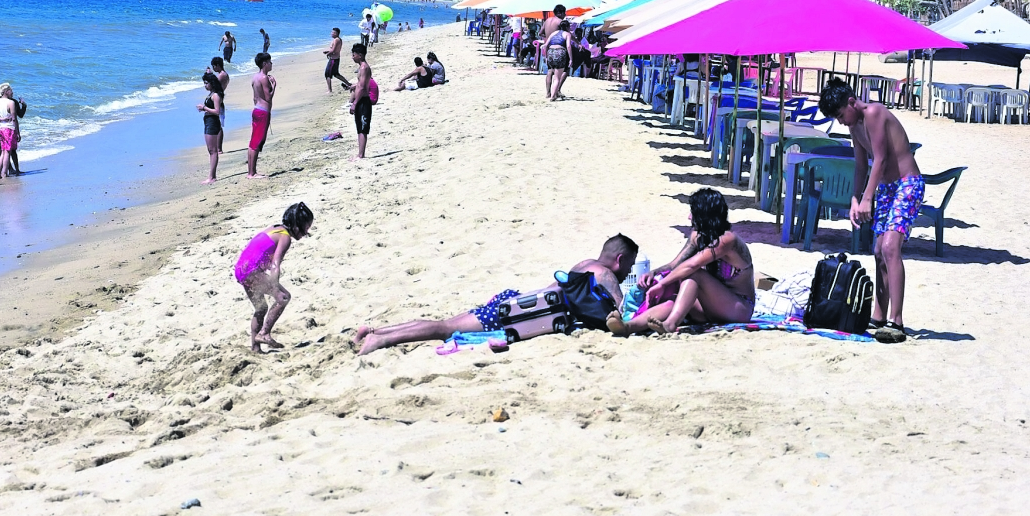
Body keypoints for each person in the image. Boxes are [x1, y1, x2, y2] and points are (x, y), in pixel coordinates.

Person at [353, 233, 639, 355]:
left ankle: (377, 330)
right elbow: (619, 314)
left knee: (446, 323)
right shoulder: (605, 275)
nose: (628, 271)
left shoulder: (584, 265)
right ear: (620, 259)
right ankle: (382, 339)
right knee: (446, 328)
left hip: (514, 300)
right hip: (517, 312)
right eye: (629, 264)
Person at [819, 78, 922, 344]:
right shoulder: (855, 126)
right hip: (887, 189)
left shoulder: (874, 113)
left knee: (890, 248)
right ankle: (879, 314)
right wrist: (855, 198)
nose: (841, 122)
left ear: (852, 102)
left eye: (841, 115)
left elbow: (883, 157)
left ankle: (896, 321)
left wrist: (867, 199)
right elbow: (860, 166)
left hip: (907, 184)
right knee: (877, 252)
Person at [607, 188, 754, 336]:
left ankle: (670, 325)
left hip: (739, 308)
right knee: (674, 301)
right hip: (712, 307)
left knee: (695, 274)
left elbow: (692, 266)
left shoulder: (727, 240)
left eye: (693, 213)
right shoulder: (698, 237)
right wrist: (654, 274)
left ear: (704, 215)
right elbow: (675, 265)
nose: (689, 217)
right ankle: (628, 326)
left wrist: (662, 284)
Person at [235, 202, 314, 351]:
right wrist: (275, 285)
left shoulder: (275, 229)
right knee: (283, 297)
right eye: (306, 229)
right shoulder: (285, 238)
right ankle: (264, 333)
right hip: (252, 271)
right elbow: (275, 264)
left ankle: (255, 348)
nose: (305, 234)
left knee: (261, 308)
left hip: (241, 270)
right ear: (297, 226)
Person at [248, 52, 275, 179]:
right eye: (270, 62)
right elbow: (268, 97)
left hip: (257, 109)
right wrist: (274, 86)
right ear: (264, 64)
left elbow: (255, 97)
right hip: (263, 112)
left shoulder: (255, 77)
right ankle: (252, 173)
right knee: (257, 142)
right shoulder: (264, 78)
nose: (271, 64)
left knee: (253, 141)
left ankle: (251, 171)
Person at [197, 71, 224, 184]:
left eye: (206, 83)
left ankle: (212, 177)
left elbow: (217, 111)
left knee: (213, 151)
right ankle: (211, 176)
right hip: (208, 122)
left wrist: (204, 108)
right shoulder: (211, 94)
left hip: (212, 123)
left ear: (212, 83)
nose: (205, 85)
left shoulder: (215, 95)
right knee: (211, 150)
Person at [349, 43, 372, 160]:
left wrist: (354, 103)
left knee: (363, 129)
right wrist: (354, 85)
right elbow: (361, 84)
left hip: (363, 101)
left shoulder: (364, 68)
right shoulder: (362, 67)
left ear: (360, 55)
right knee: (359, 127)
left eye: (354, 55)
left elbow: (363, 88)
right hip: (361, 101)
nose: (352, 57)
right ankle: (360, 153)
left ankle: (361, 155)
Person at [0, 84, 19, 180]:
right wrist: (18, 132)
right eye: (11, 91)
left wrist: (0, 119)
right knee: (7, 152)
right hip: (9, 128)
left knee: (3, 152)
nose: (12, 93)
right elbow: (14, 118)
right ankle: (4, 173)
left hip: (1, 128)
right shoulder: (11, 103)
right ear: (6, 91)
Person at [544, 20, 574, 101]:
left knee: (551, 72)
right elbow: (568, 46)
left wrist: (546, 56)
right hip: (560, 52)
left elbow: (546, 45)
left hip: (550, 52)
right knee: (557, 77)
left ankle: (549, 93)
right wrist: (571, 58)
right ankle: (553, 96)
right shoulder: (567, 34)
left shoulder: (554, 33)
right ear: (568, 27)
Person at [210, 56, 230, 155]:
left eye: (214, 66)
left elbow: (214, 86)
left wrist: (209, 75)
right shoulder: (224, 75)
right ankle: (218, 148)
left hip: (219, 100)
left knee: (218, 125)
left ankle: (219, 149)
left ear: (217, 65)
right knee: (218, 124)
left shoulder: (222, 75)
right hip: (220, 99)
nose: (214, 68)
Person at [323, 27, 352, 94]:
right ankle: (348, 83)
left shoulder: (336, 40)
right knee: (336, 74)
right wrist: (328, 51)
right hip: (336, 58)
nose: (331, 33)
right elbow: (335, 50)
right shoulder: (339, 39)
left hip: (333, 59)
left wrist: (328, 53)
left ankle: (329, 90)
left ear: (336, 33)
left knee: (327, 74)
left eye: (333, 32)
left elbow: (333, 50)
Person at [8, 90, 27, 176]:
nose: (12, 93)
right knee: (5, 150)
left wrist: (24, 105)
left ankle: (17, 169)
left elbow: (20, 115)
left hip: (13, 127)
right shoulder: (1, 102)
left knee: (13, 150)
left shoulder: (14, 102)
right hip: (3, 127)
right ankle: (9, 169)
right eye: (10, 91)